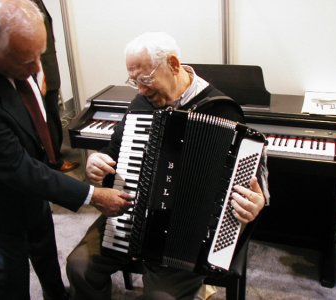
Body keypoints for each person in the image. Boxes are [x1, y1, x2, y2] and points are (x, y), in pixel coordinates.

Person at [0, 1, 132, 299]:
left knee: (44, 242)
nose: (37, 68)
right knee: (13, 260)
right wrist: (92, 195)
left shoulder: (7, 43)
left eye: (40, 54)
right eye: (26, 62)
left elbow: (30, 157)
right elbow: (18, 169)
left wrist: (31, 72)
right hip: (1, 190)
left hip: (32, 173)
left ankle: (56, 294)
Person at [66, 32, 269, 300]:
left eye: (146, 80)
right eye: (134, 80)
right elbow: (114, 151)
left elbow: (254, 180)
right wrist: (96, 161)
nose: (140, 90)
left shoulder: (222, 111)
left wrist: (257, 200)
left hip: (186, 238)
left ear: (173, 65)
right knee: (79, 266)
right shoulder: (142, 104)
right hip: (131, 216)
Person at [31, 0, 79, 173]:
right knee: (48, 118)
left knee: (53, 115)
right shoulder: (26, 3)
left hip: (49, 70)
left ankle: (55, 156)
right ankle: (54, 162)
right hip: (41, 73)